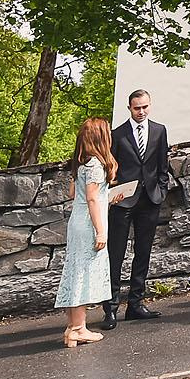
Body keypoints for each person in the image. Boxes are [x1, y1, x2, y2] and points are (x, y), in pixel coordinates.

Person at [106, 89, 172, 326]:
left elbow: (161, 164)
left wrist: (161, 190)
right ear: (129, 108)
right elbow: (110, 170)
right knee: (116, 254)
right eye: (137, 108)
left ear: (149, 106)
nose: (141, 112)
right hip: (123, 202)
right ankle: (111, 307)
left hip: (150, 199)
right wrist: (113, 194)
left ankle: (136, 304)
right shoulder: (117, 134)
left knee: (143, 253)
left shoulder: (159, 130)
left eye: (145, 107)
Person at [54, 117, 114, 348]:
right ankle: (79, 329)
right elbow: (90, 198)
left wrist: (108, 197)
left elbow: (73, 193)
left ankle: (72, 327)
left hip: (76, 221)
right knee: (82, 275)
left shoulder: (81, 163)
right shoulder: (96, 165)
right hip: (88, 224)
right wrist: (100, 231)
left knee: (74, 271)